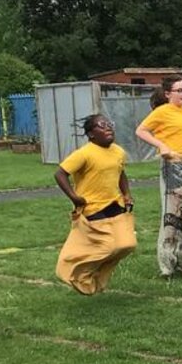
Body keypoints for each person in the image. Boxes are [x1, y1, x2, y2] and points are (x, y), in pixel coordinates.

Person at [135, 74, 182, 278]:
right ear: (168, 93)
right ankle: (166, 261)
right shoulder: (162, 112)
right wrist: (162, 146)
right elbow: (141, 131)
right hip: (172, 165)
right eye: (179, 90)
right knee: (172, 213)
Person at [54, 115, 137, 293]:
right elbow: (60, 174)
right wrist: (74, 197)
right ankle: (75, 272)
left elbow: (121, 173)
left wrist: (126, 194)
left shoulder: (118, 151)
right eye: (102, 125)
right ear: (91, 134)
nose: (108, 128)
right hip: (92, 208)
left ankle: (96, 274)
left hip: (115, 203)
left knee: (127, 244)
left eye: (109, 124)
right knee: (107, 247)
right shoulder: (84, 153)